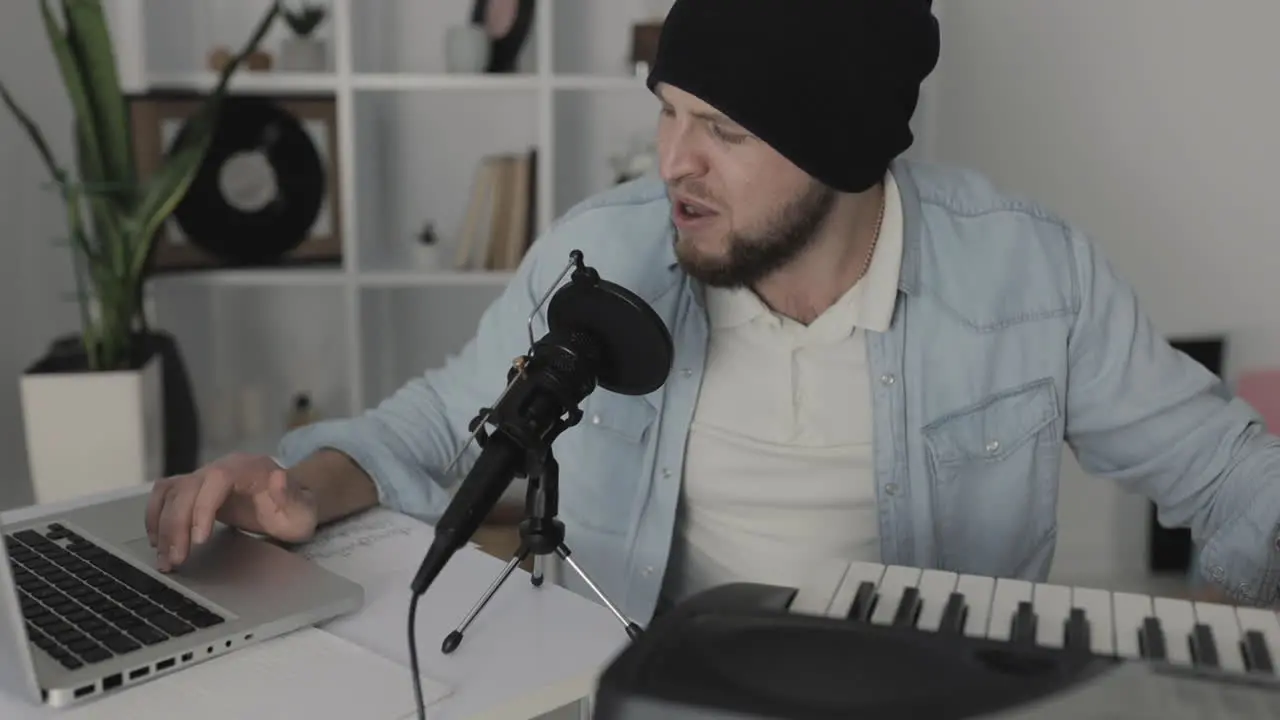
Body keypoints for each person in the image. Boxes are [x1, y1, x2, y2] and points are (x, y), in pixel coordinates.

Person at [145, 0, 1280, 625]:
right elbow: (443, 422)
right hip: (650, 691)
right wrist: (300, 487)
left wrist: (1215, 649)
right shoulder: (613, 246)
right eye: (668, 112)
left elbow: (1238, 478)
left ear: (840, 150)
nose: (672, 162)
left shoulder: (1032, 280)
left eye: (724, 132)